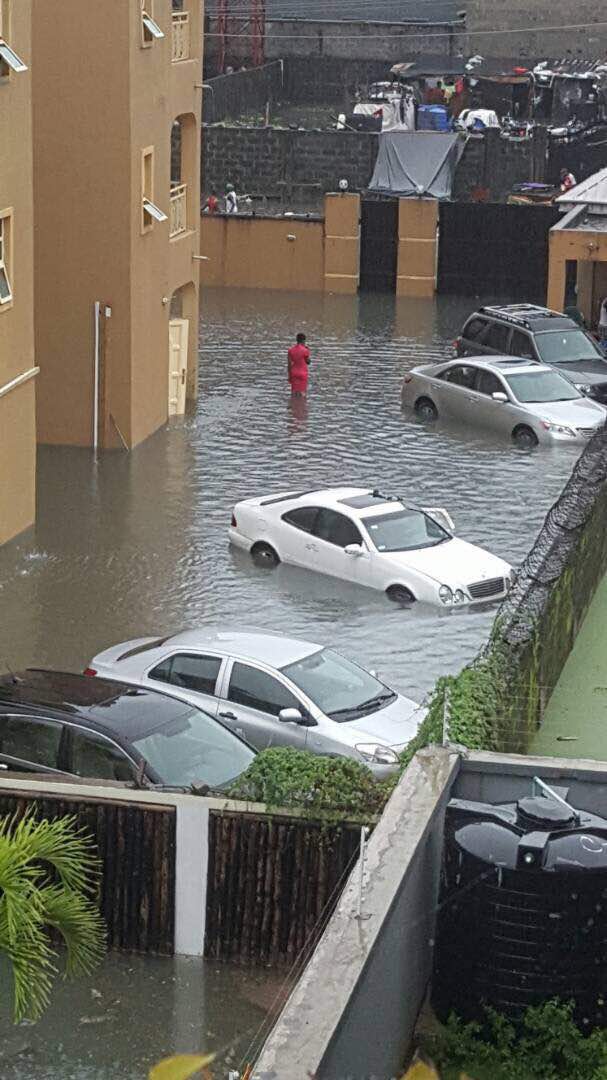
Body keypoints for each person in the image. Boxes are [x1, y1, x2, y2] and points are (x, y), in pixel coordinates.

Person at [287, 332, 311, 397]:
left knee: (294, 394)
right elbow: (308, 362)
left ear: (297, 340)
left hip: (294, 373)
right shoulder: (305, 350)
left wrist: (289, 376)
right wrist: (308, 351)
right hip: (303, 374)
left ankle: (294, 406)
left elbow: (289, 364)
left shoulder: (290, 350)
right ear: (304, 340)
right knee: (302, 394)